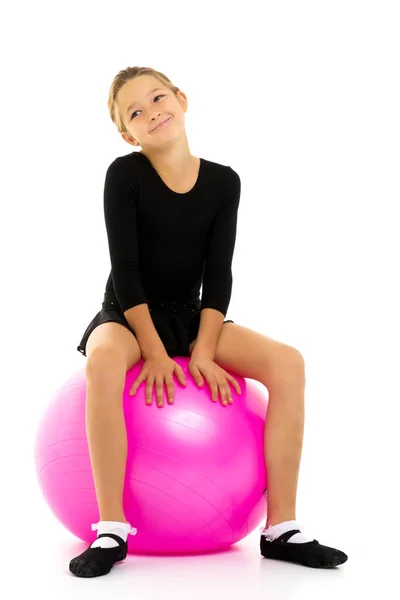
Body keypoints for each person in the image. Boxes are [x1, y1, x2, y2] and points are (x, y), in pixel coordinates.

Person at [70, 66, 348, 577]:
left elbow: (218, 274)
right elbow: (125, 273)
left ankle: (281, 527)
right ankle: (111, 530)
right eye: (136, 112)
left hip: (191, 315)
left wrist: (202, 349)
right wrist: (153, 352)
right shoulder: (124, 175)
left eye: (158, 98)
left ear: (181, 98)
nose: (152, 112)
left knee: (289, 362)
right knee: (105, 356)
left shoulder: (223, 181)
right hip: (129, 315)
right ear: (126, 133)